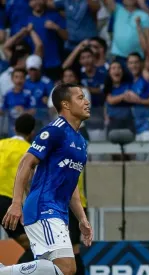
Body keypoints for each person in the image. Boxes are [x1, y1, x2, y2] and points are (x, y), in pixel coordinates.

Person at [0, 83, 93, 275]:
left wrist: (82, 219)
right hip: (44, 207)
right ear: (66, 105)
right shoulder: (55, 130)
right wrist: (17, 203)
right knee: (67, 268)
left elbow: (71, 183)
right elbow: (26, 163)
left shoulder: (81, 142)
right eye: (80, 98)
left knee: (53, 272)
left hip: (59, 211)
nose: (86, 102)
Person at [0, 114, 36, 264]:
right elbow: (30, 182)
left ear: (14, 128)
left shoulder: (1, 144)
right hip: (7, 203)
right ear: (32, 133)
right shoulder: (31, 151)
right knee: (35, 247)